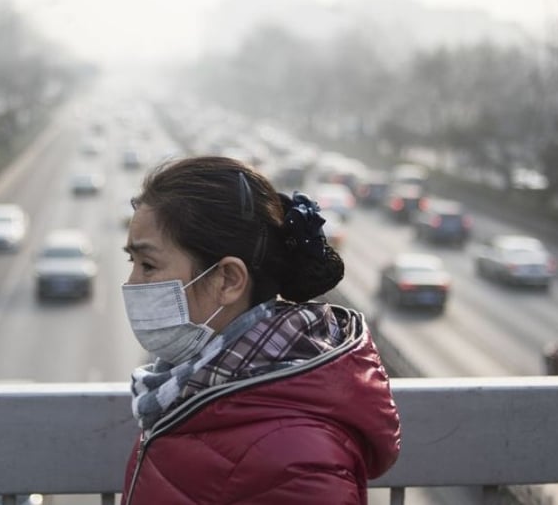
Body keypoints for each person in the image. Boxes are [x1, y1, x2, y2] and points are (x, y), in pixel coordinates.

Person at [121, 155, 401, 504]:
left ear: (228, 280)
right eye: (132, 262)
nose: (131, 283)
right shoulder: (190, 391)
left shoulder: (298, 463)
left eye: (148, 265)